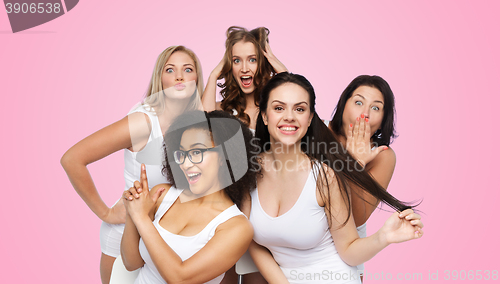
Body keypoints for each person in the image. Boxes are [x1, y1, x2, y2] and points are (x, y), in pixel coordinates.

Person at [245, 72, 423, 284]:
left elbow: (350, 243)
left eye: (299, 109)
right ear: (264, 115)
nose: (290, 116)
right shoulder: (248, 170)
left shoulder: (329, 174)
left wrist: (383, 237)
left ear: (310, 118)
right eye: (278, 108)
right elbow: (248, 237)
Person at [60, 45, 203, 284]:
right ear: (160, 77)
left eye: (188, 69)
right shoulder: (143, 122)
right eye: (170, 70)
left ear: (197, 78)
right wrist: (105, 212)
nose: (179, 76)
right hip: (128, 238)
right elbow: (72, 159)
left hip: (171, 238)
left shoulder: (197, 121)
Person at [121, 110, 257, 284]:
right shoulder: (162, 195)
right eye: (182, 153)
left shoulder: (236, 227)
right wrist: (132, 210)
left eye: (197, 152)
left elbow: (180, 278)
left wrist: (141, 218)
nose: (185, 163)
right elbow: (131, 263)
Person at [325, 75, 398, 278]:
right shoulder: (317, 131)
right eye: (358, 102)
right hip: (293, 253)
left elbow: (356, 218)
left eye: (375, 108)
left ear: (383, 119)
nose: (364, 114)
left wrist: (355, 161)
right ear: (343, 104)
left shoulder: (382, 156)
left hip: (345, 260)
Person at [202, 26, 287, 130]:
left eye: (252, 60)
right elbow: (202, 128)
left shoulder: (277, 107)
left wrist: (284, 72)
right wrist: (213, 75)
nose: (244, 69)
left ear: (264, 63)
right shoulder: (222, 109)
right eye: (237, 61)